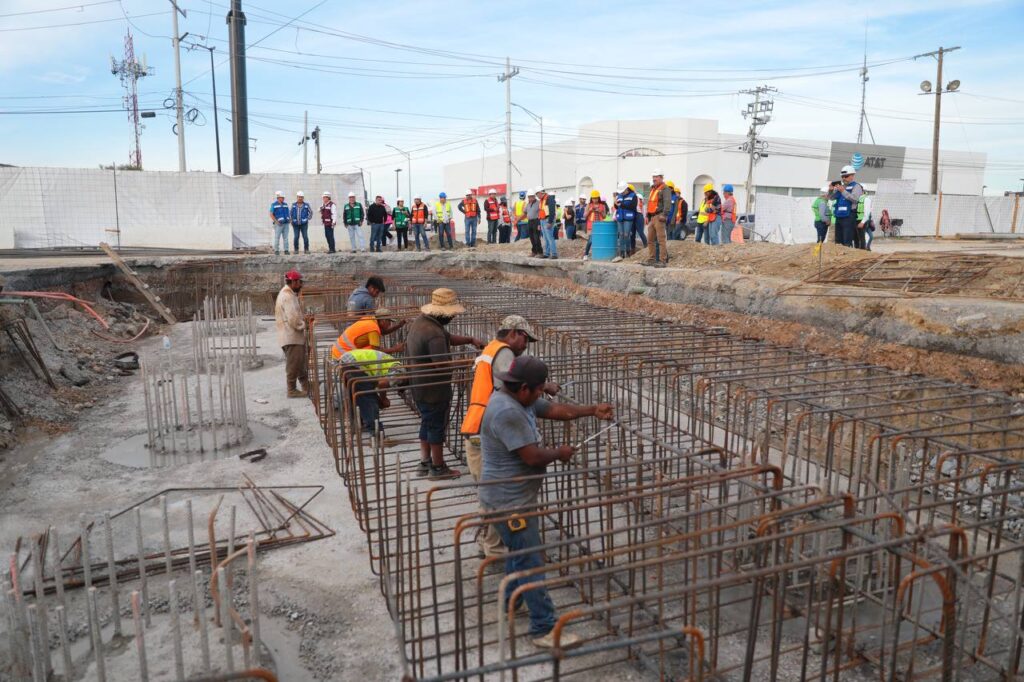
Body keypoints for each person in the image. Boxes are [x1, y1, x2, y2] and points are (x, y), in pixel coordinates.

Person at [479, 356, 614, 649]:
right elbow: (532, 456)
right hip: (509, 500)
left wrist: (593, 410)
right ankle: (544, 628)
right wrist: (560, 452)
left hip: (511, 495)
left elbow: (554, 410)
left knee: (519, 553)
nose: (542, 394)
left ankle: (510, 602)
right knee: (531, 561)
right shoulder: (507, 412)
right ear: (525, 387)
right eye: (539, 389)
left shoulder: (516, 398)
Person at [460, 315, 558, 559]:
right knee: (498, 495)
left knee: (491, 495)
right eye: (525, 339)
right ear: (513, 333)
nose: (526, 345)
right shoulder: (503, 353)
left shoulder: (491, 348)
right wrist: (544, 387)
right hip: (486, 428)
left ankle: (490, 547)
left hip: (478, 424)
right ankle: (496, 553)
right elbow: (516, 385)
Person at [405, 288, 485, 480]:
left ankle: (425, 462)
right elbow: (441, 365)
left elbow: (448, 338)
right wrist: (470, 362)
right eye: (452, 314)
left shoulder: (422, 323)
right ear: (443, 313)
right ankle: (438, 467)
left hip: (419, 386)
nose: (453, 317)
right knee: (436, 427)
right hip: (433, 389)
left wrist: (470, 340)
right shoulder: (434, 333)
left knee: (427, 422)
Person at [337, 348, 402, 436]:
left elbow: (378, 383)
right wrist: (383, 399)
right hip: (354, 362)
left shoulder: (391, 363)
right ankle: (376, 432)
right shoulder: (400, 371)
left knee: (356, 394)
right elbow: (382, 384)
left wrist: (381, 399)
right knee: (368, 398)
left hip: (347, 360)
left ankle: (357, 424)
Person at [274, 270, 308, 398]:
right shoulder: (287, 296)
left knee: (299, 363)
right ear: (293, 282)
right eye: (299, 282)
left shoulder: (288, 293)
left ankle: (305, 385)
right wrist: (304, 325)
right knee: (293, 364)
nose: (301, 285)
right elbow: (293, 319)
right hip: (291, 336)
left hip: (291, 336)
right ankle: (291, 390)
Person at [331, 308, 407, 359]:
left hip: (338, 351)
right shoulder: (373, 328)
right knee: (373, 356)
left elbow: (383, 332)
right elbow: (376, 351)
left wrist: (399, 325)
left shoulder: (371, 320)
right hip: (343, 355)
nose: (390, 324)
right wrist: (395, 349)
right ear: (383, 320)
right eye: (389, 322)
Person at [830, 165, 864, 248]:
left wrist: (843, 191)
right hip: (839, 216)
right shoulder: (841, 187)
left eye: (846, 176)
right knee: (838, 241)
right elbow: (831, 198)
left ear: (852, 176)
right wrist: (830, 190)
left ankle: (847, 257)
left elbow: (855, 199)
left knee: (847, 240)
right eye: (842, 177)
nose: (844, 178)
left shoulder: (856, 186)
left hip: (849, 216)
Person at [644, 171, 671, 267]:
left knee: (661, 239)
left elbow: (667, 203)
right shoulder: (653, 189)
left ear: (661, 177)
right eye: (653, 176)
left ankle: (662, 261)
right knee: (650, 240)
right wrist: (647, 215)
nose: (654, 178)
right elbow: (650, 203)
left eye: (656, 177)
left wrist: (664, 214)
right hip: (652, 217)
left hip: (659, 216)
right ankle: (651, 259)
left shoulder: (665, 189)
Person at [613, 183, 637, 262]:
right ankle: (622, 252)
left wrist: (622, 205)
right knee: (621, 235)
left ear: (626, 189)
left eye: (623, 191)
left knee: (626, 234)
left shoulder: (633, 195)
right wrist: (615, 204)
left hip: (628, 217)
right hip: (620, 217)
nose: (621, 193)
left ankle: (628, 250)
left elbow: (633, 207)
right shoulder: (619, 196)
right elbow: (617, 207)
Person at [582, 190, 608, 261]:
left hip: (600, 225)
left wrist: (601, 211)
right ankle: (586, 254)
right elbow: (584, 216)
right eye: (593, 198)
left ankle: (599, 255)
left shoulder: (602, 206)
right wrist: (590, 210)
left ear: (598, 198)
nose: (595, 200)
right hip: (591, 226)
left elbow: (604, 216)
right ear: (591, 198)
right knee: (590, 240)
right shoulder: (588, 205)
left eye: (596, 198)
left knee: (599, 240)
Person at [536, 187, 558, 259]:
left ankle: (554, 254)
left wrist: (550, 222)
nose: (537, 196)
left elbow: (552, 211)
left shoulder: (549, 198)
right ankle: (546, 253)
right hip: (542, 220)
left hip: (548, 220)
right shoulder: (542, 200)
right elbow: (540, 212)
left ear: (540, 193)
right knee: (545, 238)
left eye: (537, 194)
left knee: (550, 237)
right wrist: (539, 223)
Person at [269, 191, 291, 255]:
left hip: (286, 223)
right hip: (278, 224)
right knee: (277, 237)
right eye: (282, 197)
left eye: (283, 197)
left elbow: (288, 212)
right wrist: (276, 222)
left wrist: (289, 219)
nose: (283, 198)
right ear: (278, 197)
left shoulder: (285, 204)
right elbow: (271, 214)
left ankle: (286, 250)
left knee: (286, 237)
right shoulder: (274, 205)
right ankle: (276, 250)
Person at [524, 189, 543, 257]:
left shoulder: (538, 203)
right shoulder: (528, 204)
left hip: (536, 221)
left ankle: (540, 252)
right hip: (530, 222)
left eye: (531, 196)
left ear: (534, 196)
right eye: (529, 197)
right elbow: (525, 212)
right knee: (531, 237)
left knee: (536, 237)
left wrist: (539, 223)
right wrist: (518, 219)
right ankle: (534, 251)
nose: (530, 198)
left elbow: (541, 213)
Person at [629, 188, 647, 255]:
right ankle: (632, 249)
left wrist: (644, 217)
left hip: (638, 214)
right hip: (632, 215)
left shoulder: (638, 196)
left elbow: (641, 207)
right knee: (632, 233)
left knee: (640, 232)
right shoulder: (631, 196)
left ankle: (646, 246)